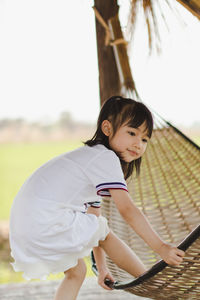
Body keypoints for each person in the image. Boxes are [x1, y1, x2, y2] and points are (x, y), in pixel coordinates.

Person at [9, 96, 184, 300]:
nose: (138, 143)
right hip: (44, 217)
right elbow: (127, 210)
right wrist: (161, 247)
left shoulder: (93, 159)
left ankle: (152, 285)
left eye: (144, 139)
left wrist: (102, 268)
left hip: (26, 223)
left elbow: (94, 215)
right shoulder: (104, 158)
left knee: (76, 272)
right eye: (132, 133)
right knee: (105, 233)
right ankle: (154, 287)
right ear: (107, 128)